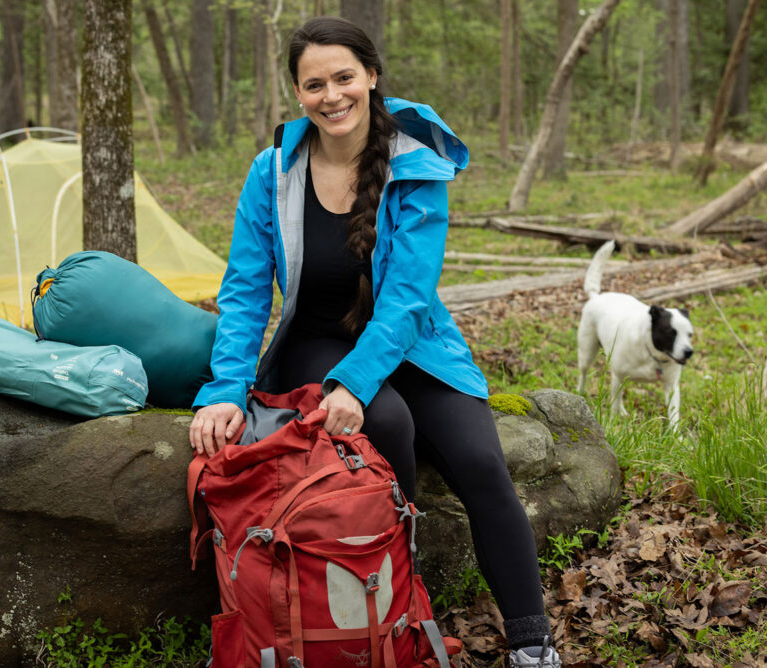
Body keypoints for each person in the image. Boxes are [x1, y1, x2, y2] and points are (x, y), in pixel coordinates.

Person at [188, 16, 561, 668]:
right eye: (314, 84)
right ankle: (397, 605)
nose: (331, 95)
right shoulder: (273, 172)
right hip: (314, 340)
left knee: (480, 462)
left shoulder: (417, 165)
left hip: (411, 340)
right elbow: (246, 291)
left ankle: (533, 644)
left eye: (343, 78)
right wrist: (223, 390)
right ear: (297, 93)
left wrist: (357, 383)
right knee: (386, 422)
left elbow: (408, 301)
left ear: (371, 77)